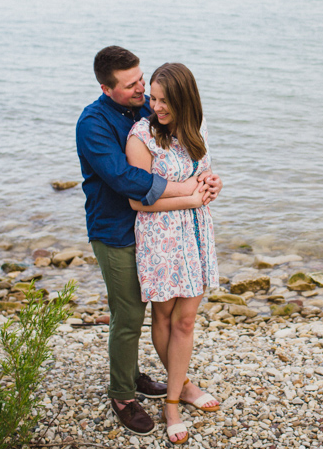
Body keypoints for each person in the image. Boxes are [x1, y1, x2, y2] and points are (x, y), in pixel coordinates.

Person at [76, 46, 222, 436]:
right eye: (132, 85)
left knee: (165, 316)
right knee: (130, 316)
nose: (143, 90)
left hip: (161, 229)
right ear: (107, 89)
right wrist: (190, 191)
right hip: (116, 230)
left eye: (142, 79)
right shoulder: (93, 124)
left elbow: (178, 146)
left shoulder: (145, 108)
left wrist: (207, 181)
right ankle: (123, 394)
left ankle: (143, 376)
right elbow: (128, 182)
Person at [125, 62, 220, 445]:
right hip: (160, 237)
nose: (156, 106)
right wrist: (192, 196)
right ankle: (173, 403)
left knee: (186, 322)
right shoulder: (141, 136)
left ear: (184, 99)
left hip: (197, 234)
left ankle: (179, 388)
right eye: (154, 97)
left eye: (165, 100)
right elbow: (138, 201)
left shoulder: (196, 128)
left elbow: (204, 175)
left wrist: (213, 184)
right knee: (164, 318)